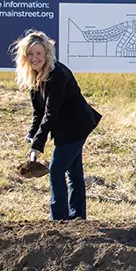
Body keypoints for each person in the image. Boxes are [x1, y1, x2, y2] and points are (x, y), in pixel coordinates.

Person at [13, 30, 102, 220]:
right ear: (25, 57)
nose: (35, 58)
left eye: (38, 53)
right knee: (74, 171)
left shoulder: (57, 74)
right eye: (30, 54)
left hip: (76, 126)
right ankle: (78, 218)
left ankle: (60, 220)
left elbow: (51, 113)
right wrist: (32, 134)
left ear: (46, 54)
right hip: (64, 129)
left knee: (56, 170)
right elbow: (39, 111)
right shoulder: (34, 76)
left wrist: (37, 146)